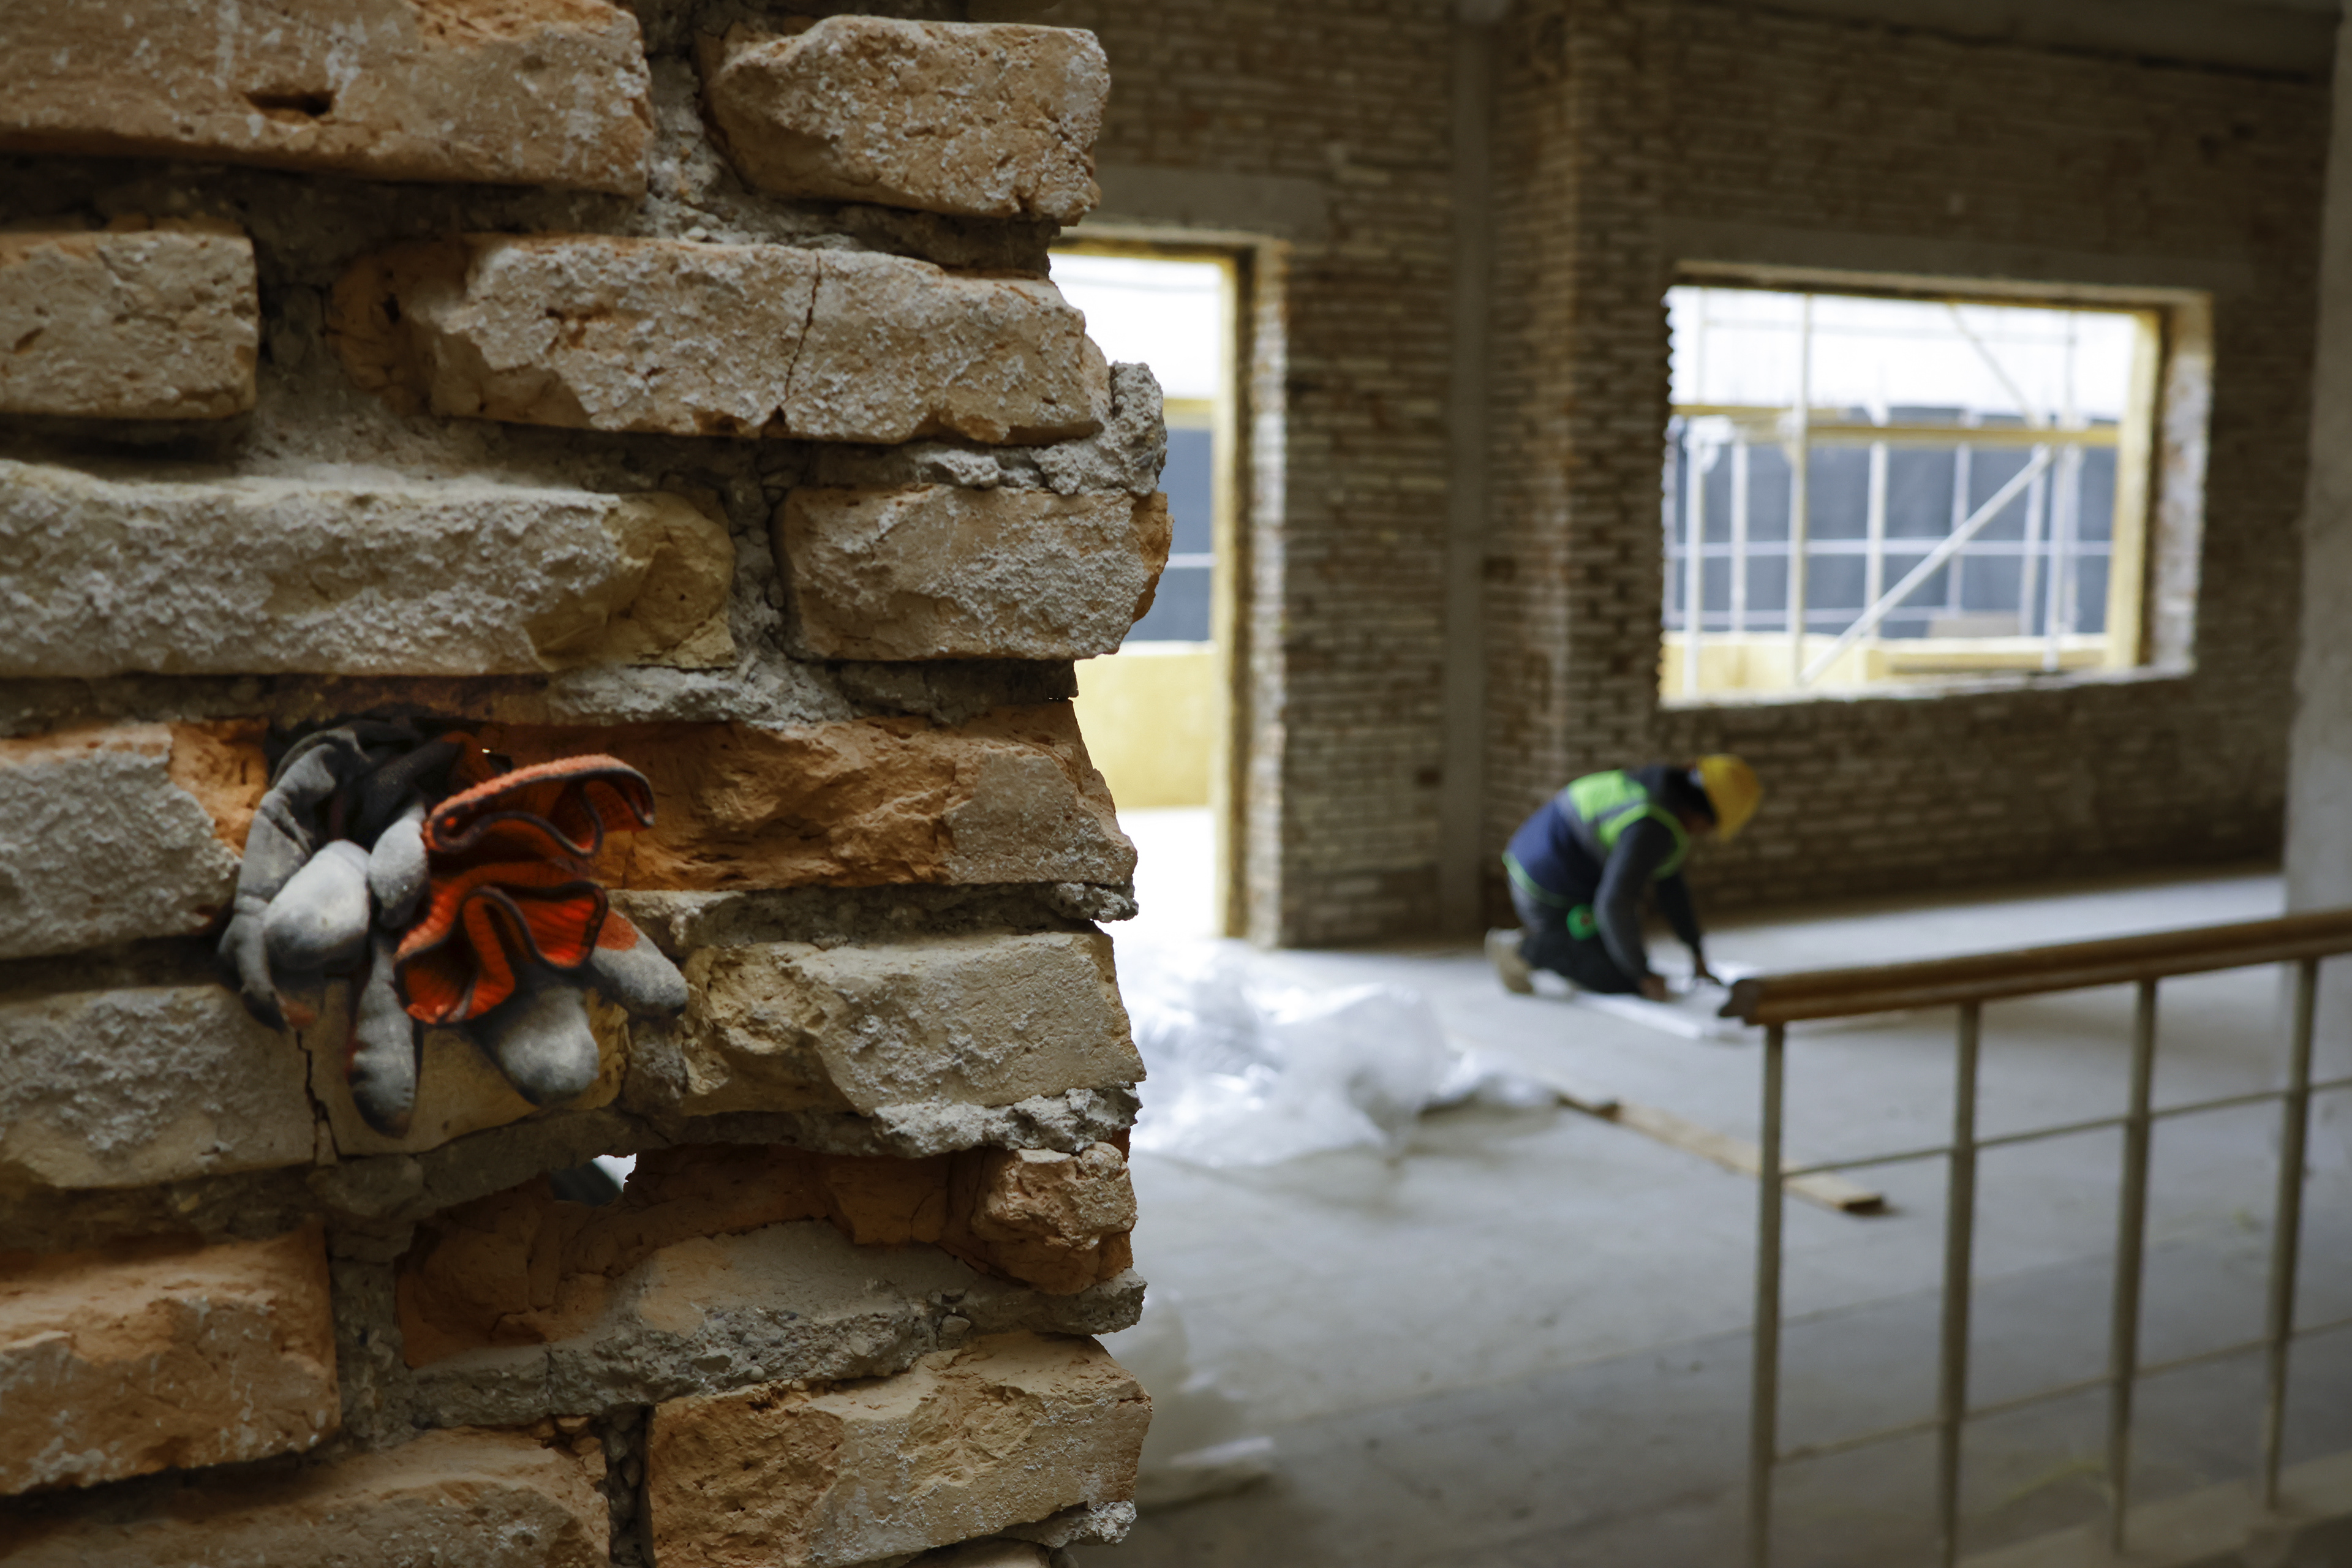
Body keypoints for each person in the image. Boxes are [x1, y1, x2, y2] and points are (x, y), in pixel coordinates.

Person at [1485, 755, 1762, 1001]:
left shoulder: (1656, 790)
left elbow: (1672, 890)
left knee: (1618, 949)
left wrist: (1697, 953)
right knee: (1619, 978)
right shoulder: (1651, 826)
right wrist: (1641, 975)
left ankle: (1567, 948)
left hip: (1548, 868)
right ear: (1702, 818)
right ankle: (1519, 951)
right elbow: (1613, 904)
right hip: (1544, 889)